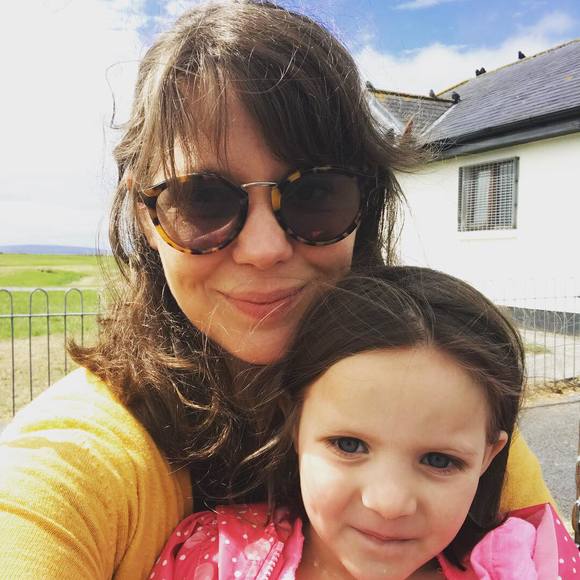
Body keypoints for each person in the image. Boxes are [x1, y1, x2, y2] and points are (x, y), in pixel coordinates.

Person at [0, 2, 555, 578]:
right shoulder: (75, 461)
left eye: (315, 194)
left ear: (365, 206)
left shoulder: (447, 417)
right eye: (203, 199)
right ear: (147, 216)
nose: (263, 249)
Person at [152, 267, 579, 579]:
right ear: (294, 425)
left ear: (489, 456)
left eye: (439, 460)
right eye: (349, 445)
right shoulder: (215, 560)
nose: (388, 502)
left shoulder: (525, 567)